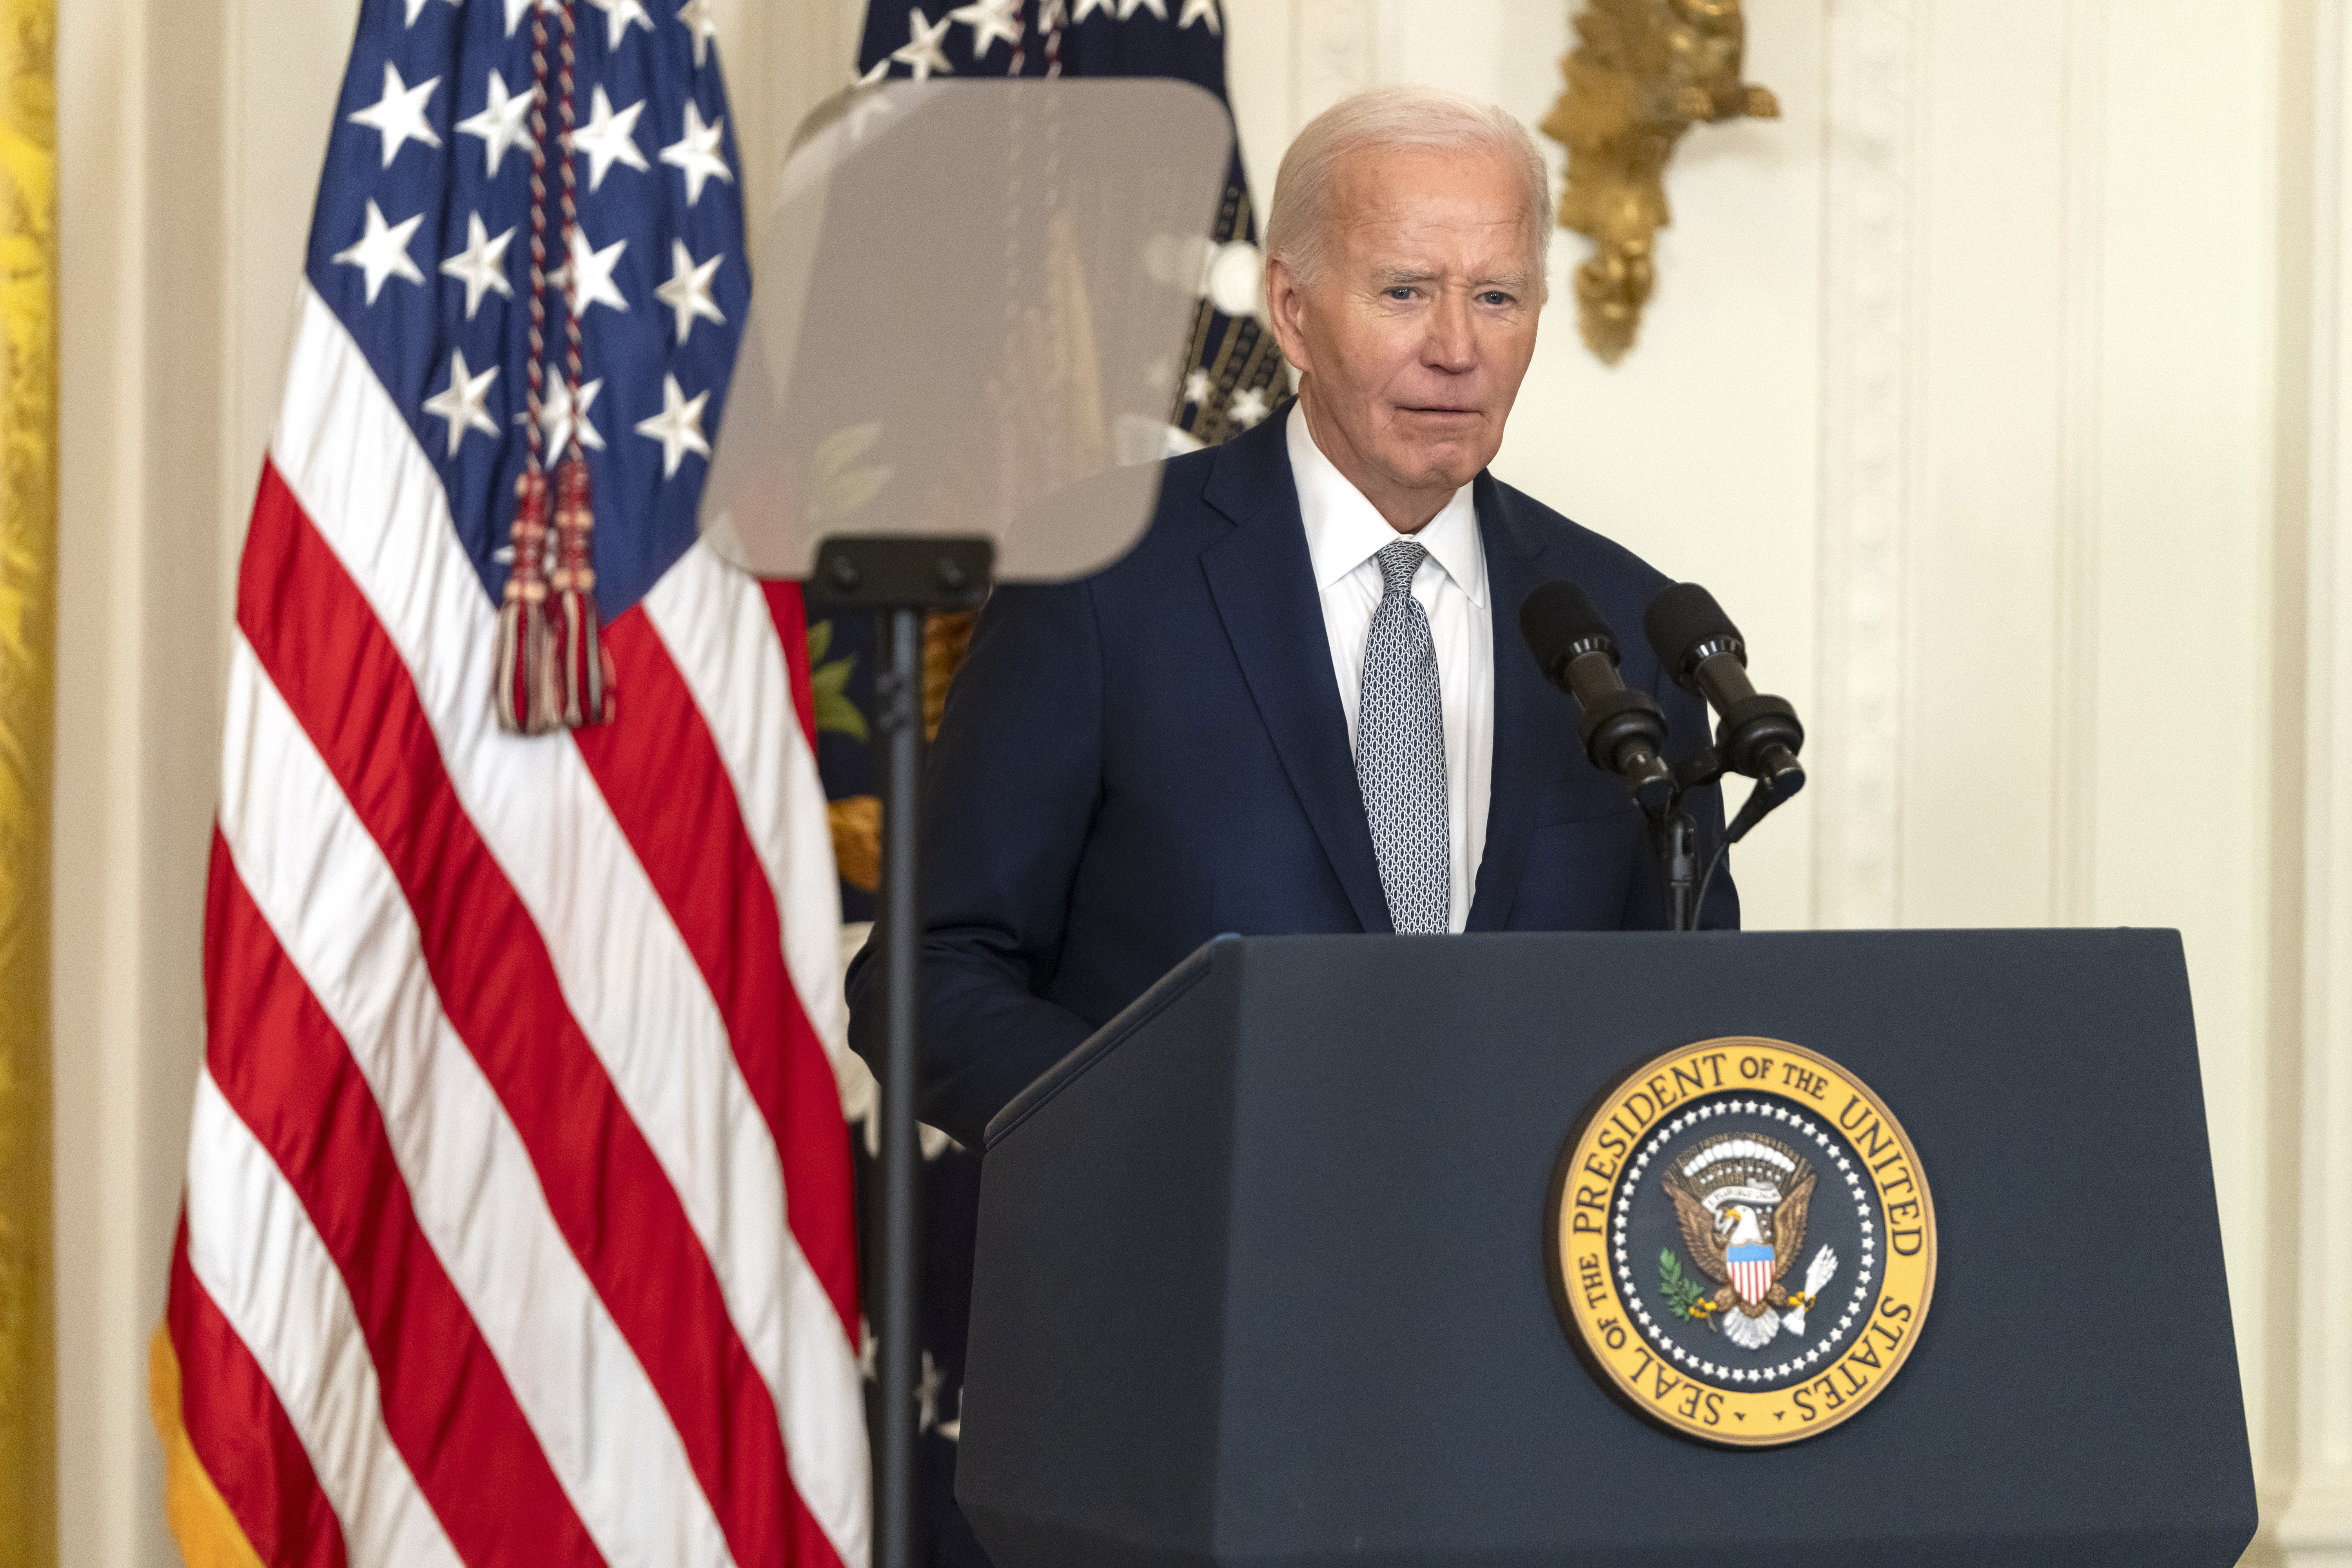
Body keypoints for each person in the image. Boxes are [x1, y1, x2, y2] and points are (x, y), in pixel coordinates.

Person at [848, 84, 1736, 1149]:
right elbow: (932, 976)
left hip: (1519, 1289)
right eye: (1406, 291)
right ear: (1293, 309)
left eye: (1498, 297)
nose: (1459, 348)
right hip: (1188, 1275)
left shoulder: (1627, 625)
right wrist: (1173, 1142)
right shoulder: (1099, 574)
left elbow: (1695, 1019)